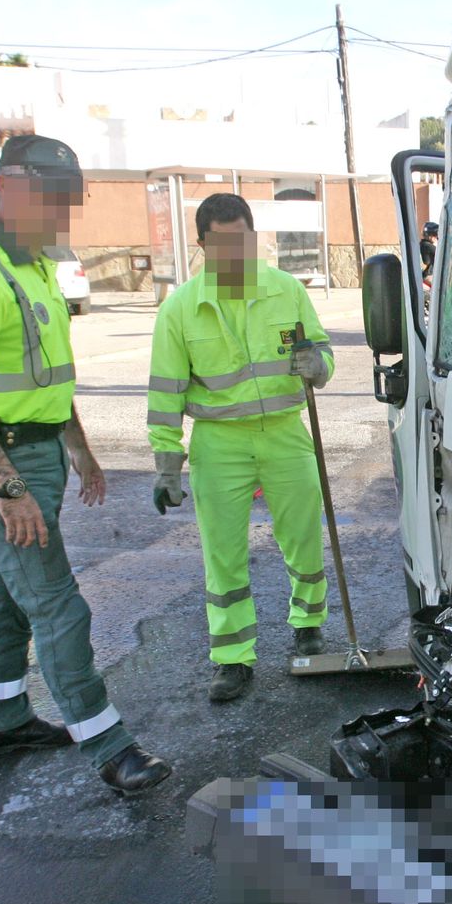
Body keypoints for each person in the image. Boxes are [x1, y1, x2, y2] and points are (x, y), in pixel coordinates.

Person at [0, 134, 172, 795]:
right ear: (7, 187)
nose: (61, 214)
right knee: (60, 607)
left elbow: (44, 380)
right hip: (3, 461)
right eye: (50, 198)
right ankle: (110, 747)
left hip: (39, 451)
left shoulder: (33, 269)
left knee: (8, 596)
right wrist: (5, 485)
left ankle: (2, 719)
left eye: (69, 201)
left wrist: (80, 449)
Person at [147, 192, 334, 703]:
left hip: (284, 432)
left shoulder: (286, 290)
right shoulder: (181, 309)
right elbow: (165, 393)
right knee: (224, 554)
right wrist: (167, 465)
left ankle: (309, 623)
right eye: (222, 244)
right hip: (219, 442)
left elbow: (320, 349)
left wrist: (318, 365)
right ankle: (232, 656)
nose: (234, 254)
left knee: (303, 537)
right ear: (203, 245)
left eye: (243, 241)